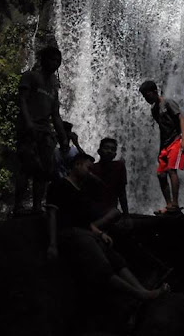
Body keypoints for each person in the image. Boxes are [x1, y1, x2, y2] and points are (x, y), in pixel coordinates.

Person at [45, 153, 170, 300]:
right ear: (77, 165)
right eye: (88, 168)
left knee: (116, 259)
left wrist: (99, 233)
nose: (90, 173)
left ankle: (142, 290)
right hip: (70, 234)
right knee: (102, 265)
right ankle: (140, 295)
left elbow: (83, 221)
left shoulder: (81, 190)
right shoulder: (58, 185)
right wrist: (52, 244)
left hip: (85, 232)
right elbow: (52, 214)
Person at [14, 45, 69, 215]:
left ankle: (37, 206)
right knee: (26, 167)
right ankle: (18, 206)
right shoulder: (30, 76)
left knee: (44, 170)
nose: (55, 63)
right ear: (43, 59)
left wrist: (63, 137)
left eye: (58, 60)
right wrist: (28, 122)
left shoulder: (54, 86)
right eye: (52, 59)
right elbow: (22, 101)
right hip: (28, 129)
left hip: (45, 132)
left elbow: (56, 115)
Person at [139, 80, 184, 215]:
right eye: (144, 96)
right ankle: (168, 205)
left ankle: (175, 204)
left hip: (176, 140)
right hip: (165, 145)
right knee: (161, 174)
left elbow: (181, 119)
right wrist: (161, 149)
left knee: (172, 170)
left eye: (147, 95)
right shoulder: (154, 109)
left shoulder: (168, 103)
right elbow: (162, 129)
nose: (146, 99)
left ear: (155, 92)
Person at [89, 137, 129, 224]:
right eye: (106, 148)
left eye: (113, 149)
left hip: (110, 211)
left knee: (115, 213)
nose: (109, 151)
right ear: (99, 151)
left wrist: (126, 216)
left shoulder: (119, 167)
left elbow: (122, 193)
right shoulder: (91, 169)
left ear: (115, 155)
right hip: (94, 210)